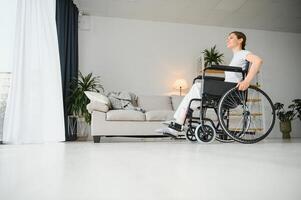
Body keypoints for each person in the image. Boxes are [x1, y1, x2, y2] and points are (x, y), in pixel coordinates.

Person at [156, 31, 263, 137]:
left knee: (197, 87)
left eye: (231, 37)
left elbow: (258, 61)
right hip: (227, 89)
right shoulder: (236, 57)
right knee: (195, 95)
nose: (228, 39)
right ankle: (178, 122)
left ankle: (178, 122)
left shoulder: (243, 53)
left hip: (232, 92)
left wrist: (246, 81)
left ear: (240, 40)